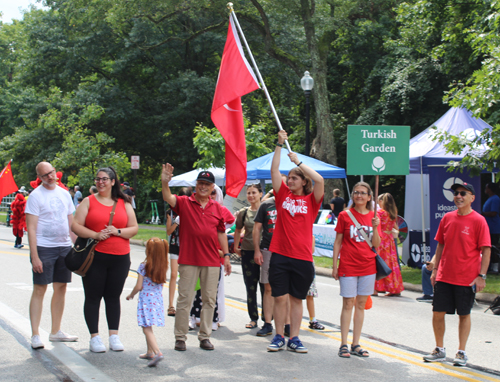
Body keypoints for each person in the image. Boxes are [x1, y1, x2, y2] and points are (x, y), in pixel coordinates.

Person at [161, 165, 231, 352]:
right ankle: (180, 337)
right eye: (200, 183)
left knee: (209, 300)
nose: (203, 187)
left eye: (207, 184)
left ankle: (205, 336)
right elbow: (168, 197)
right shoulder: (184, 203)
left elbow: (221, 233)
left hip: (211, 261)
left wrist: (226, 255)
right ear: (195, 186)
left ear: (212, 188)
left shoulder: (217, 207)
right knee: (185, 299)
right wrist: (165, 181)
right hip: (189, 259)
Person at [266, 129, 324, 354]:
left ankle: (295, 338)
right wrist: (279, 145)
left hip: (302, 257)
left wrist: (298, 161)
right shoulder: (282, 196)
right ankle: (279, 336)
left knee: (297, 299)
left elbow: (319, 179)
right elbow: (273, 170)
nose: (289, 181)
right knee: (279, 298)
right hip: (280, 254)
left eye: (294, 178)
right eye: (288, 178)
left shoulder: (312, 201)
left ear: (303, 181)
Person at [72, 166, 138, 353]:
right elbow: (75, 225)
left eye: (104, 179)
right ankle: (95, 337)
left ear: (112, 181)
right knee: (93, 297)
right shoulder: (88, 201)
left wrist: (117, 231)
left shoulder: (123, 202)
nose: (100, 182)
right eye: (98, 179)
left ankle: (114, 335)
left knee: (112, 297)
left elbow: (133, 228)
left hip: (120, 257)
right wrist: (95, 234)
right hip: (95, 257)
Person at [423, 182, 490, 367]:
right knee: (437, 312)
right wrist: (435, 269)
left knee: (464, 314)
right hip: (445, 275)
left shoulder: (479, 220)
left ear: (472, 198)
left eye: (463, 193)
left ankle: (461, 352)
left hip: (466, 277)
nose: (458, 196)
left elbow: (486, 249)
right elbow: (441, 245)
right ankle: (439, 349)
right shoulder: (447, 218)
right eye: (456, 193)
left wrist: (481, 276)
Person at [25, 162, 78, 349]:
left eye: (51, 172)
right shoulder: (35, 196)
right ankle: (35, 334)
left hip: (64, 246)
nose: (49, 176)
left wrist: (77, 247)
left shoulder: (64, 194)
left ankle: (56, 331)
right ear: (39, 177)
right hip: (44, 247)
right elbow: (31, 228)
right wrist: (35, 256)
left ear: (56, 172)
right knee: (40, 288)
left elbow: (71, 222)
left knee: (61, 287)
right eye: (45, 175)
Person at [332, 182, 381, 359]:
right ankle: (343, 343)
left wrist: (375, 227)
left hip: (368, 266)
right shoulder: (345, 215)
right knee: (348, 303)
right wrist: (334, 265)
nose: (359, 196)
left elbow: (376, 244)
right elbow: (338, 241)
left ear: (369, 197)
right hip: (348, 265)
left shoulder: (374, 217)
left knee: (361, 304)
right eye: (356, 192)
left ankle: (356, 343)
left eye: (363, 193)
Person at [189, 184, 235, 330]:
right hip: (197, 255)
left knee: (213, 292)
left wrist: (225, 252)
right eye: (210, 191)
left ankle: (213, 319)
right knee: (196, 290)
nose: (211, 194)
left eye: (214, 192)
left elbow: (229, 225)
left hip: (215, 256)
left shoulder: (221, 210)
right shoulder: (197, 207)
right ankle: (194, 317)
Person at [126, 238, 169, 367]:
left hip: (146, 300)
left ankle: (157, 352)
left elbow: (139, 286)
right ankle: (149, 352)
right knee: (148, 325)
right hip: (156, 300)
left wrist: (131, 295)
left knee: (146, 328)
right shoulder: (162, 266)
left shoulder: (143, 266)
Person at [234, 183, 264, 329]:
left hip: (265, 253)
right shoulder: (243, 212)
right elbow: (237, 229)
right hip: (247, 252)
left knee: (266, 287)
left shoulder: (266, 210)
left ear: (260, 194)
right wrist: (235, 247)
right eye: (249, 193)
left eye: (254, 192)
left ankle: (267, 318)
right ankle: (253, 318)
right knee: (250, 287)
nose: (251, 196)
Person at [166, 187, 192, 317]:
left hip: (188, 246)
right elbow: (168, 231)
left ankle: (185, 305)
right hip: (175, 245)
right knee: (174, 274)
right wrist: (176, 222)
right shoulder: (171, 212)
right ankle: (171, 305)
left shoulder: (193, 210)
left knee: (187, 276)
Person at [374, 193, 404, 296]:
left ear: (382, 201)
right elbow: (396, 228)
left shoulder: (379, 212)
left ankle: (376, 288)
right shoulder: (393, 212)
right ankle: (394, 288)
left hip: (381, 239)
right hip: (389, 240)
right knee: (391, 263)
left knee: (378, 262)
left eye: (379, 201)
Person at [482, 183, 500, 274]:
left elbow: (494, 213)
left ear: (490, 189)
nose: (485, 189)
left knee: (493, 247)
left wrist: (482, 214)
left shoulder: (495, 199)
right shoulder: (490, 199)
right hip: (488, 227)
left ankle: (495, 267)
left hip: (494, 227)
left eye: (486, 187)